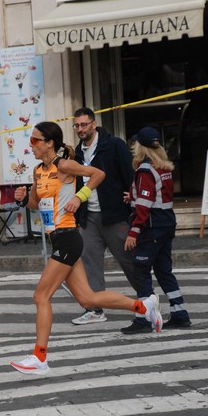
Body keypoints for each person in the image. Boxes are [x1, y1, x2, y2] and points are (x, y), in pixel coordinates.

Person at [9, 122, 162, 376]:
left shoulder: (65, 165)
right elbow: (35, 204)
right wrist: (24, 198)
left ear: (50, 143)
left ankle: (40, 358)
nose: (31, 145)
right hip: (58, 239)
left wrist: (79, 197)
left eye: (35, 140)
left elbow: (98, 174)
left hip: (69, 238)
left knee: (41, 296)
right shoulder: (38, 171)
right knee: (88, 299)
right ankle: (144, 307)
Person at [70, 107, 138, 326]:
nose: (80, 129)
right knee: (89, 262)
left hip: (115, 214)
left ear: (93, 124)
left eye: (83, 124)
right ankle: (95, 309)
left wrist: (132, 195)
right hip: (89, 216)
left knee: (128, 260)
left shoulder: (113, 145)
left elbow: (130, 174)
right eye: (76, 125)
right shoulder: (76, 153)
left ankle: (146, 299)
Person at [122, 127, 191, 333]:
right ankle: (180, 314)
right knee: (163, 270)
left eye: (135, 144)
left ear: (141, 147)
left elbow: (144, 205)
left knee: (141, 269)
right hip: (167, 224)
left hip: (151, 227)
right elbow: (156, 196)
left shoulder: (145, 170)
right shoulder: (164, 167)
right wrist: (132, 197)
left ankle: (143, 319)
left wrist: (133, 232)